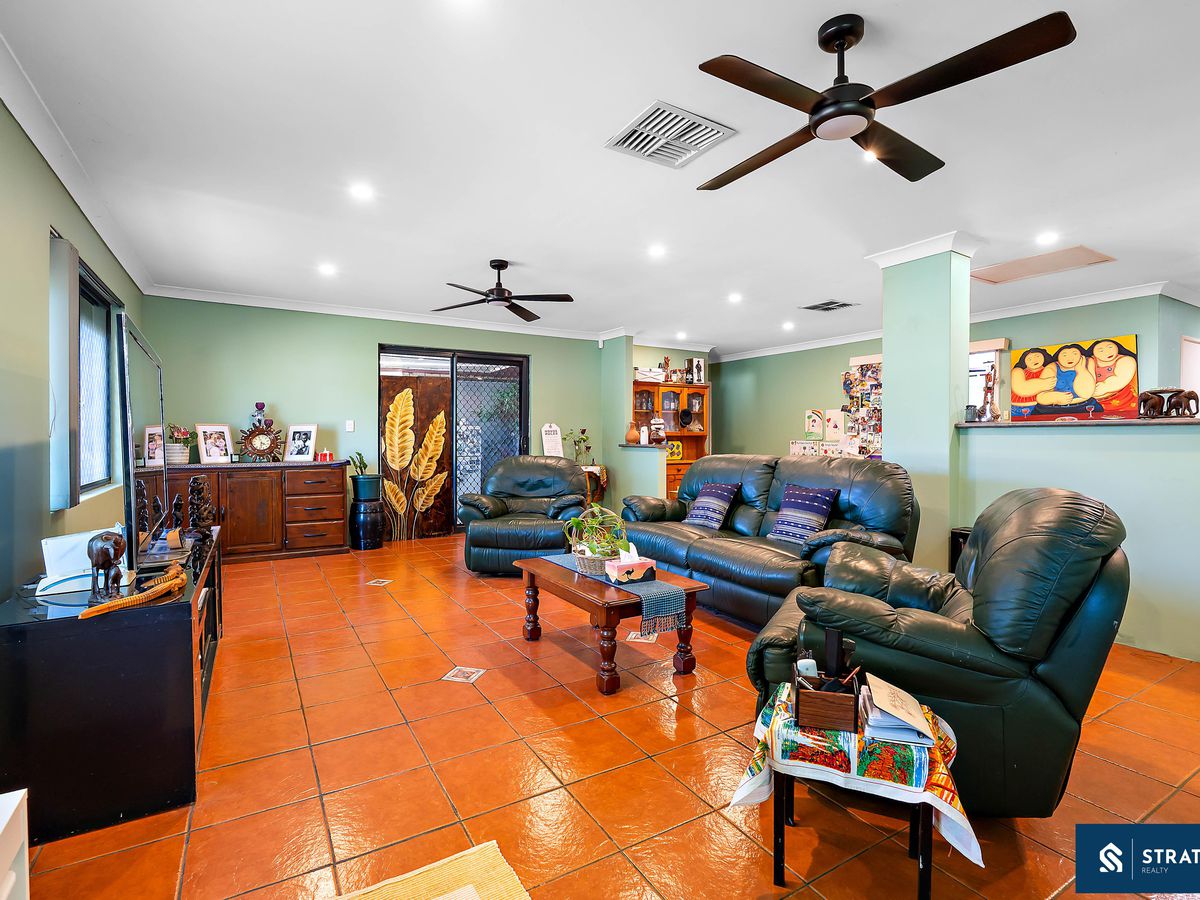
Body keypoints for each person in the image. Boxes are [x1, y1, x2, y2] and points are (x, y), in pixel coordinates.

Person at [1087, 339, 1139, 415]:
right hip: (1096, 403)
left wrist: (1104, 387)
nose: (1108, 352)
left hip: (1123, 400)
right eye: (1101, 351)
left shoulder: (1126, 360)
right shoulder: (1090, 362)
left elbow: (1120, 379)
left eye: (1110, 347)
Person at [1010, 348, 1054, 418]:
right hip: (1015, 407)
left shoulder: (1048, 371)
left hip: (1038, 407)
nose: (1034, 360)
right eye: (1029, 359)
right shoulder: (1021, 372)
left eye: (1037, 356)